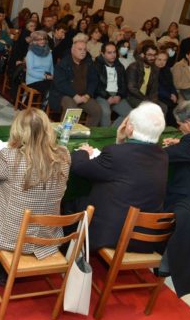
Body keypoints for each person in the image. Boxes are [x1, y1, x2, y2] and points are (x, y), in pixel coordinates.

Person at [0, 108, 70, 285]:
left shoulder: (10, 156)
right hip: (47, 235)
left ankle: (0, 265)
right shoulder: (63, 155)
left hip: (11, 237)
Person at [70, 102, 168, 251]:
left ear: (130, 128)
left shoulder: (116, 154)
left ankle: (71, 254)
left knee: (73, 203)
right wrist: (120, 142)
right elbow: (128, 167)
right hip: (145, 238)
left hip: (114, 236)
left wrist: (83, 151)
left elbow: (79, 167)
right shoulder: (163, 156)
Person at [49, 38, 102, 126]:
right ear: (72, 50)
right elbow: (60, 83)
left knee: (97, 111)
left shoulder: (89, 63)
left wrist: (88, 95)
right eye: (80, 49)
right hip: (65, 94)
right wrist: (74, 95)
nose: (83, 52)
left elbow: (94, 80)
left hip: (84, 95)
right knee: (72, 109)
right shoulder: (63, 63)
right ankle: (66, 133)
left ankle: (88, 132)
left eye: (84, 49)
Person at [94, 42, 132, 127]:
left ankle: (112, 131)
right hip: (102, 95)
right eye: (109, 53)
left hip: (117, 95)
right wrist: (107, 96)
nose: (113, 55)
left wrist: (119, 95)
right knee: (106, 112)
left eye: (114, 52)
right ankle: (107, 132)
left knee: (131, 114)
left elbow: (124, 84)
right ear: (102, 54)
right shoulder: (96, 66)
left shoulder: (120, 66)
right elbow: (96, 85)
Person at [126, 43, 164, 111]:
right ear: (142, 55)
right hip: (132, 97)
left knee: (163, 108)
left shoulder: (155, 69)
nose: (152, 58)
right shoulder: (134, 67)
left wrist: (153, 101)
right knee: (148, 109)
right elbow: (132, 88)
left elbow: (154, 89)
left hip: (147, 97)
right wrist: (146, 99)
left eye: (154, 55)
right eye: (149, 55)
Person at [24, 30, 53, 102]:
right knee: (49, 89)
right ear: (34, 41)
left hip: (46, 79)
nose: (42, 41)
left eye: (43, 39)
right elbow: (30, 71)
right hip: (33, 80)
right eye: (39, 39)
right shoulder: (30, 52)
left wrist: (52, 76)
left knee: (58, 88)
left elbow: (51, 68)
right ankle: (42, 107)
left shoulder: (49, 52)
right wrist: (45, 77)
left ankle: (45, 106)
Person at [156, 50, 179, 127]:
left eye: (164, 60)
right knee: (166, 107)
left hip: (168, 96)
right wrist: (169, 96)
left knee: (176, 107)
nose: (162, 62)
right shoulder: (152, 70)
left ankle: (172, 129)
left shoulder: (167, 70)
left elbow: (171, 84)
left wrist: (174, 94)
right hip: (157, 95)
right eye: (159, 59)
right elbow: (156, 87)